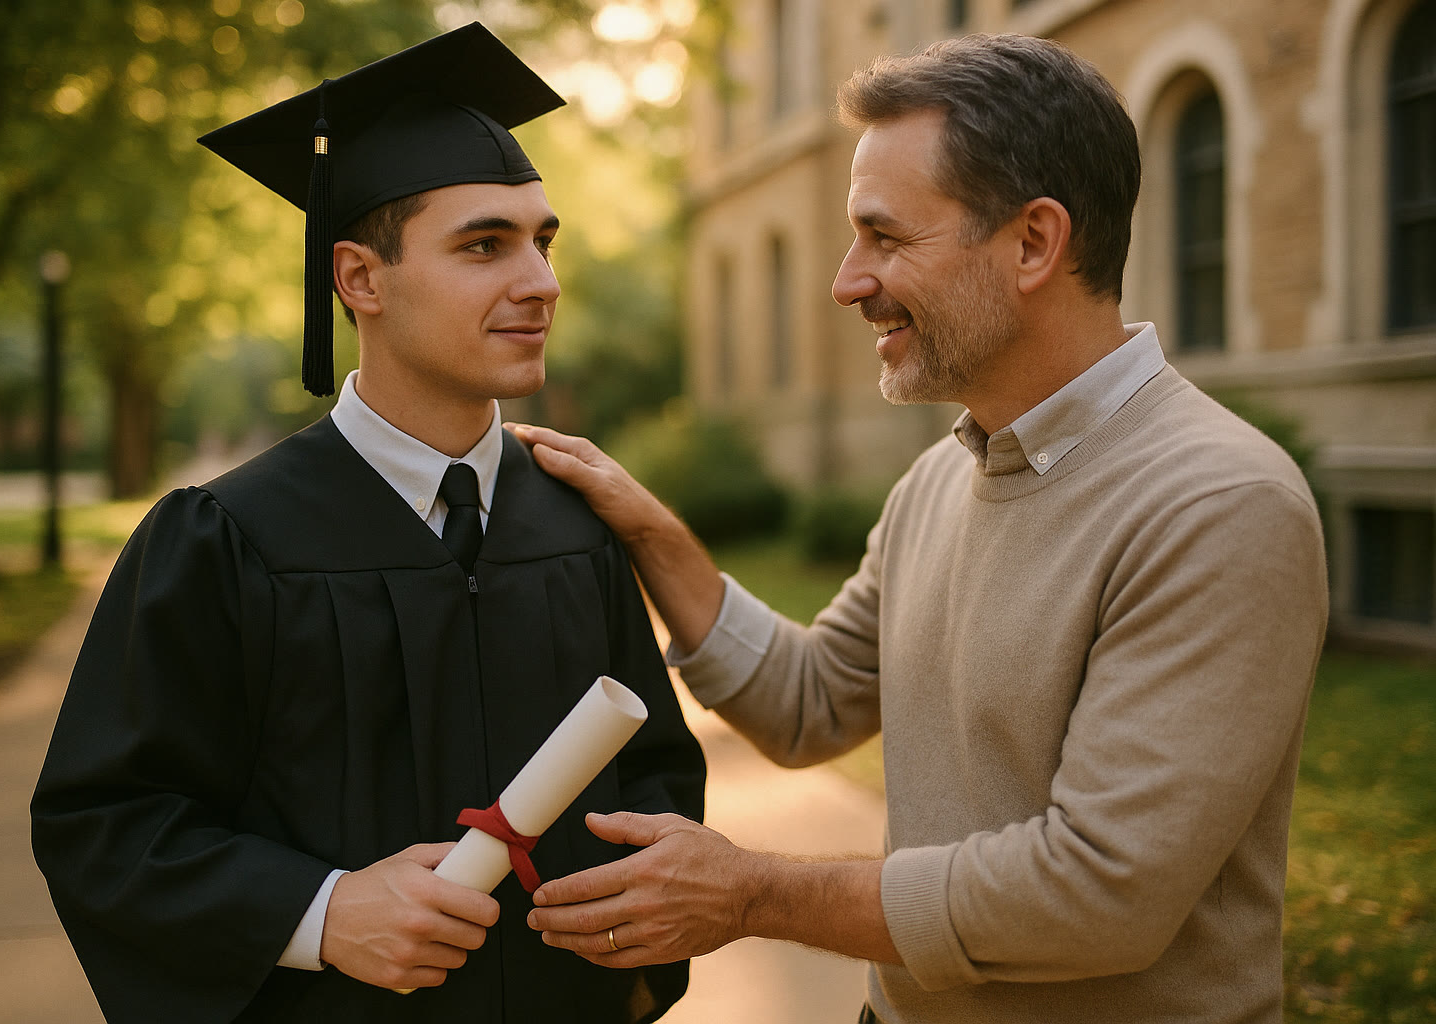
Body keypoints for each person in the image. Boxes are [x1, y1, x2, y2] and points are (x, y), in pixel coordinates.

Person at [517, 32, 1328, 1024]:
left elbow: (1098, 897)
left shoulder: (1218, 505)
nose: (847, 281)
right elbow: (808, 702)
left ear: (1034, 243)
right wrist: (649, 528)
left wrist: (751, 892)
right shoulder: (940, 480)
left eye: (886, 237)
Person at [30, 24, 704, 1024]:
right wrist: (321, 910)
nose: (542, 283)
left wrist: (642, 937)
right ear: (359, 279)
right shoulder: (227, 539)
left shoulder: (572, 521)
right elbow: (110, 824)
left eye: (542, 241)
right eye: (485, 244)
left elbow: (654, 766)